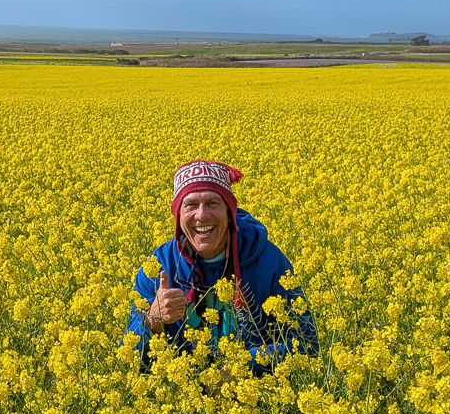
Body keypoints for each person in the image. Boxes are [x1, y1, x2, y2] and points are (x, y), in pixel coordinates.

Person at [125, 160, 318, 374]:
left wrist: (241, 368)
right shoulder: (159, 267)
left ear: (229, 211)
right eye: (190, 205)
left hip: (255, 398)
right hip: (182, 398)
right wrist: (152, 321)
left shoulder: (269, 261)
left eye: (213, 203)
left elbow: (307, 345)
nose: (202, 215)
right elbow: (128, 360)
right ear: (178, 216)